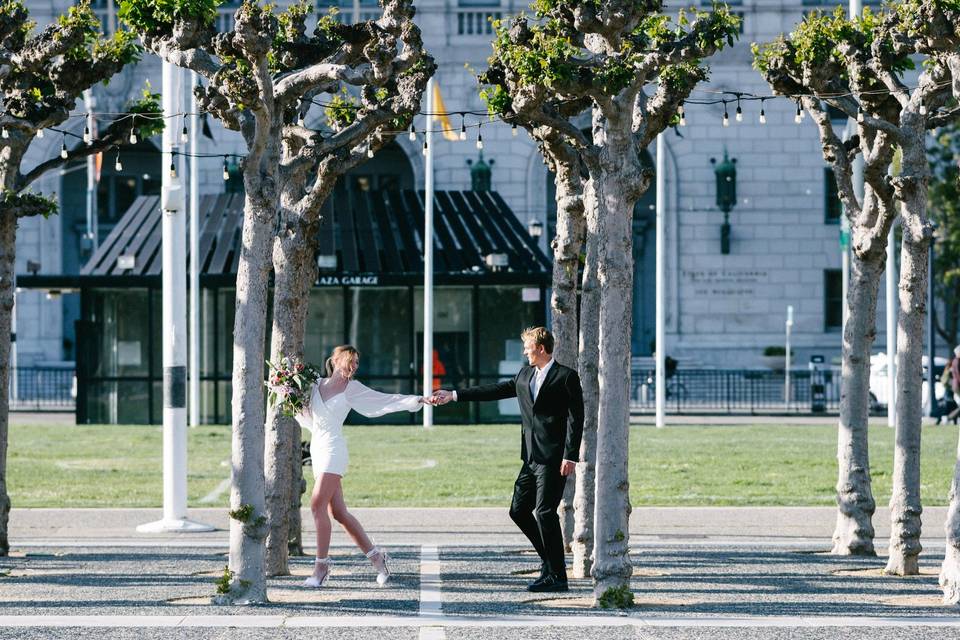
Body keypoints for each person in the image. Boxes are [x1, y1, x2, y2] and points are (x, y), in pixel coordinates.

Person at [432, 327, 584, 593]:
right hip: (530, 457)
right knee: (518, 510)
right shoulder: (525, 375)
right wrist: (454, 395)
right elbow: (495, 390)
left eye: (528, 347)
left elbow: (576, 418)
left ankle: (557, 576)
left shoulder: (566, 377)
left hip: (554, 457)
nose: (524, 351)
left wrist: (570, 455)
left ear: (540, 347)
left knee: (546, 512)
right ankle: (549, 562)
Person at [295, 345, 428, 588]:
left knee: (316, 505)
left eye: (357, 363)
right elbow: (307, 417)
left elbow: (382, 399)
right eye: (350, 360)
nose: (354, 366)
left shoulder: (351, 388)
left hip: (335, 450)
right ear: (335, 360)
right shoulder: (314, 385)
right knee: (339, 513)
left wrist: (416, 400)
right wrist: (285, 390)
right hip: (318, 448)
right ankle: (378, 558)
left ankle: (320, 568)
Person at [940, 345, 960, 425]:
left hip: (956, 386)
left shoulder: (955, 361)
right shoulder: (957, 361)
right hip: (958, 386)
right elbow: (958, 375)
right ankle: (948, 418)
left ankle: (948, 418)